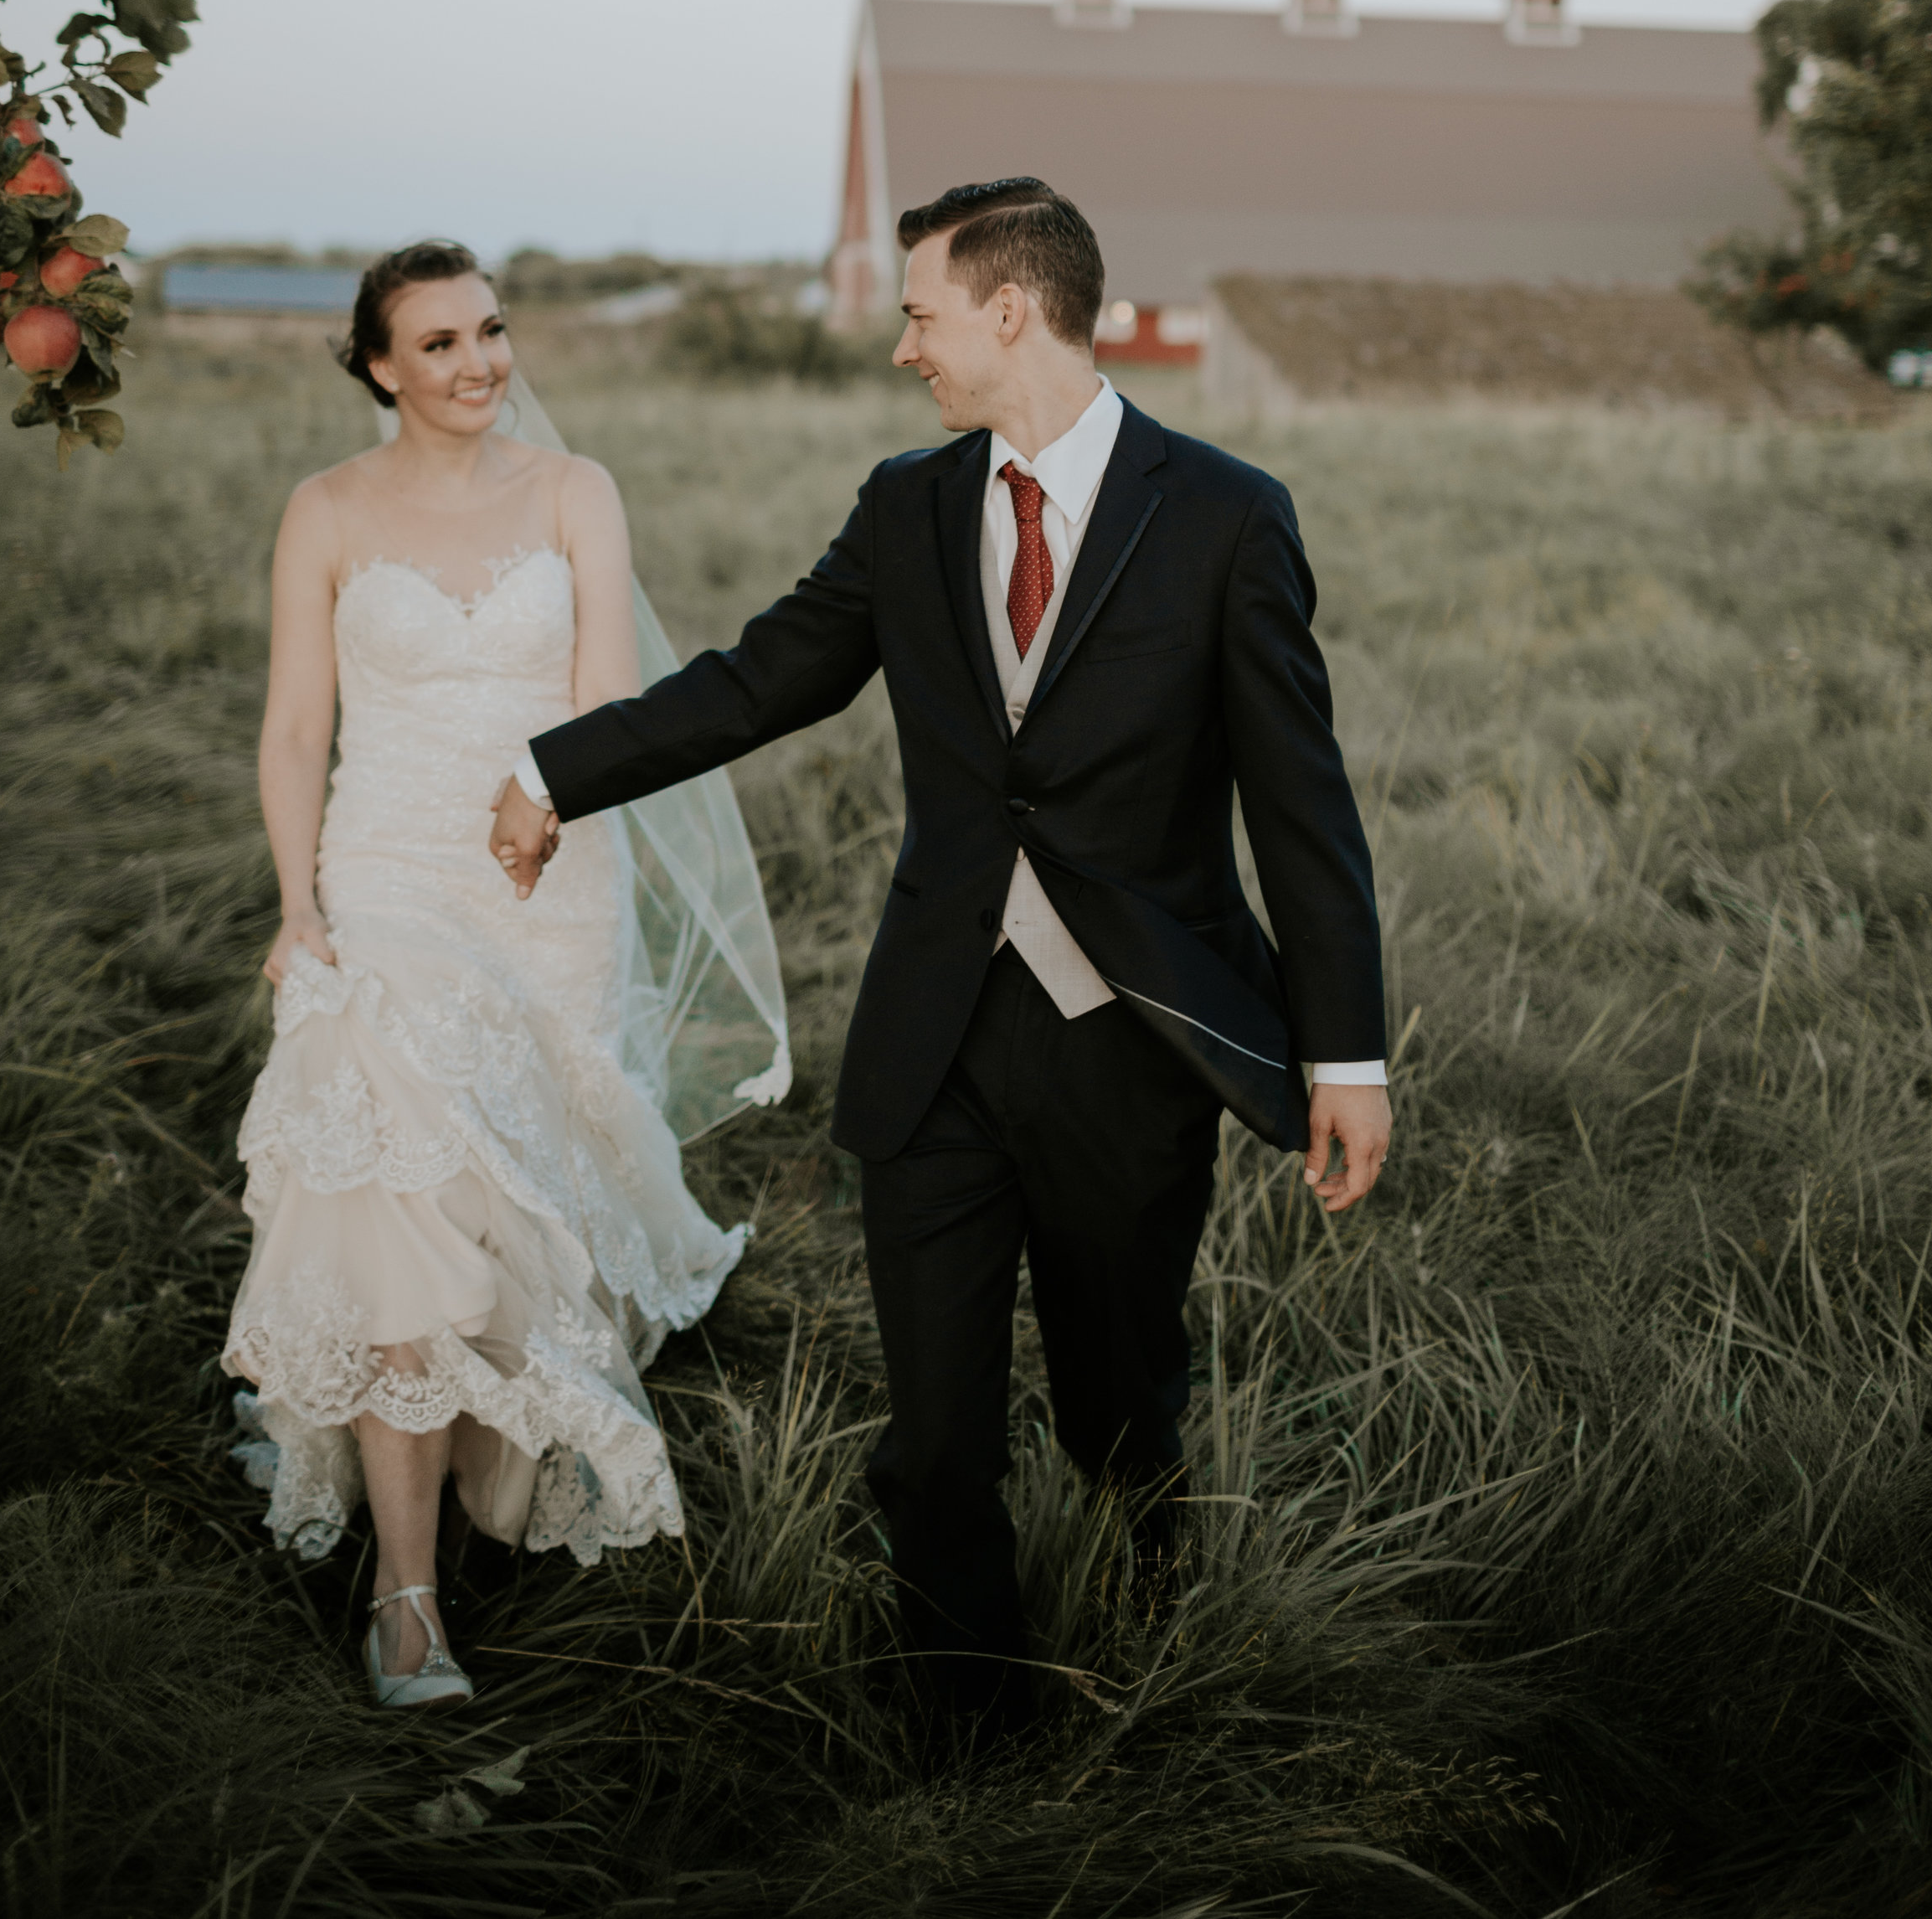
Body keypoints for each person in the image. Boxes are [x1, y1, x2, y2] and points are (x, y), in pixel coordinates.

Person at [492, 178, 1390, 1739]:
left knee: (1122, 1397)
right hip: (939, 1036)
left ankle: (1159, 1617)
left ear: (1008, 309)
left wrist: (1346, 1053)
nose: (903, 345)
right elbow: (761, 678)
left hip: (1136, 1037)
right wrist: (561, 769)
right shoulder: (907, 503)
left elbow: (1301, 807)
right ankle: (966, 1729)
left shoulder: (1231, 512)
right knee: (939, 1425)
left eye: (918, 312)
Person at [223, 240, 750, 1709]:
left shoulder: (575, 493)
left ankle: (485, 1465)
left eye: (493, 330)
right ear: (380, 364)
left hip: (549, 878)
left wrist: (550, 803)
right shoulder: (323, 512)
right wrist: (297, 910)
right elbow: (288, 733)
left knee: (528, 1201)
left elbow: (605, 707)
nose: (479, 363)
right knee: (401, 1186)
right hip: (385, 882)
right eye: (439, 342)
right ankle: (408, 1606)